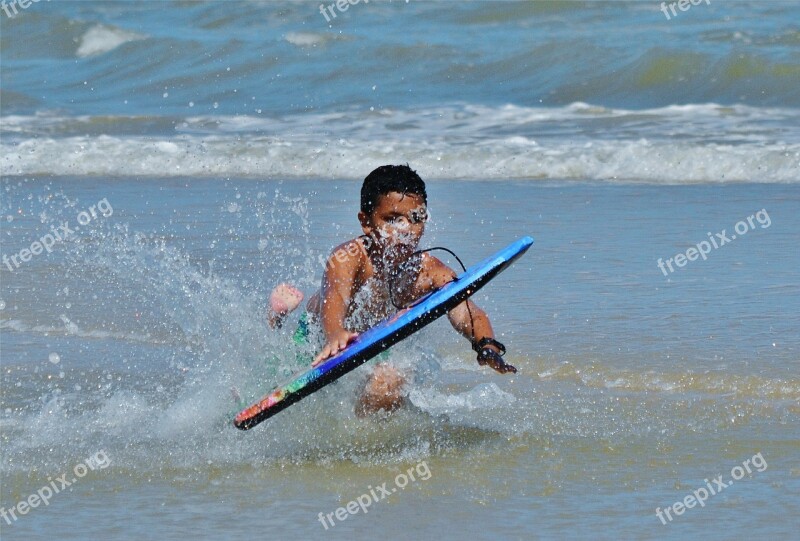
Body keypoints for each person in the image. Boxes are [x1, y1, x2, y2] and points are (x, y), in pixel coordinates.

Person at [268, 164, 515, 416]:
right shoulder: (350, 258)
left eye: (416, 218)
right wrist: (335, 334)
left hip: (370, 344)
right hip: (317, 338)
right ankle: (276, 317)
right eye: (393, 219)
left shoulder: (429, 270)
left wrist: (487, 345)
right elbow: (335, 297)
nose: (406, 230)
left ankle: (359, 439)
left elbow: (466, 312)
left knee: (390, 381)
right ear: (366, 222)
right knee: (273, 375)